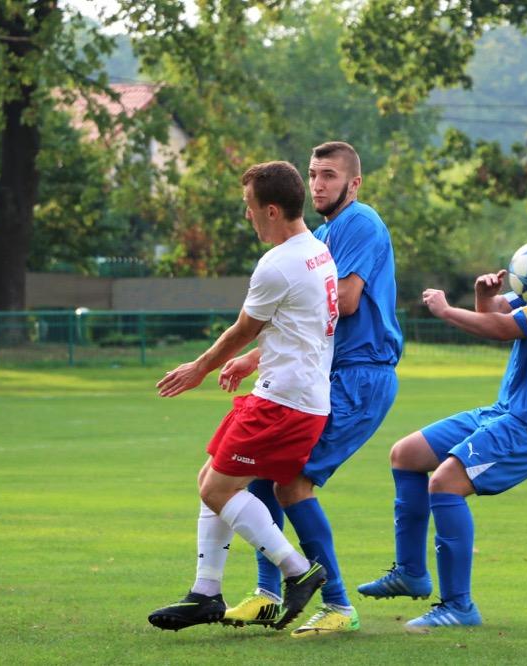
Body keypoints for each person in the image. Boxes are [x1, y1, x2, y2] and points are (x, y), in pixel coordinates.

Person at [357, 213, 527, 631]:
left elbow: (502, 329)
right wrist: (484, 295)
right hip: (504, 411)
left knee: (445, 483)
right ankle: (411, 573)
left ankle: (458, 606)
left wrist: (446, 311)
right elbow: (496, 313)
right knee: (406, 454)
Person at [218, 141, 403, 637]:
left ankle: (339, 605)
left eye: (329, 175)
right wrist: (256, 357)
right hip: (329, 372)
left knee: (292, 484)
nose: (318, 184)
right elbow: (308, 323)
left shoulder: (360, 222)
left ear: (354, 183)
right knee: (264, 474)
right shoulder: (321, 235)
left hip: (361, 375)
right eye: (313, 174)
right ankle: (268, 596)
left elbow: (344, 301)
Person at [148, 160, 339, 632]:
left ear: (271, 210)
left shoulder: (278, 264)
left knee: (217, 489)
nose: (247, 215)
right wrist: (255, 359)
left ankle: (298, 571)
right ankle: (206, 592)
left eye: (249, 206)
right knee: (211, 478)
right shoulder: (316, 251)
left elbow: (242, 330)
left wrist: (199, 368)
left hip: (284, 402)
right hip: (294, 394)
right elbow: (296, 327)